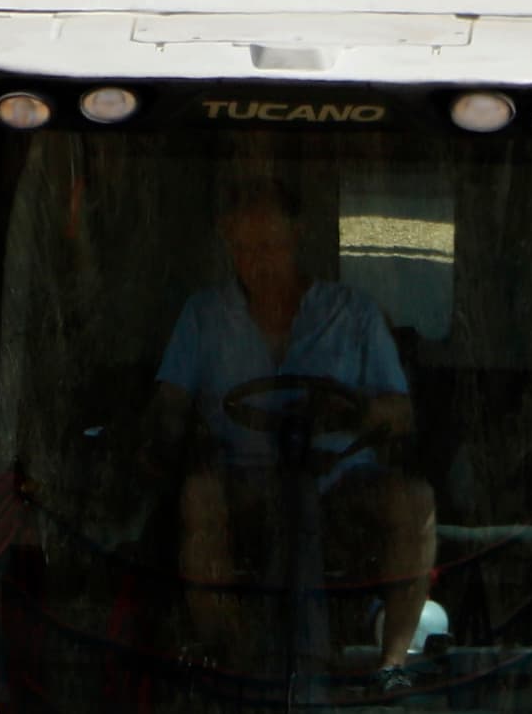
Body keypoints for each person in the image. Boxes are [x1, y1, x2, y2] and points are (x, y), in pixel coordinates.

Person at [147, 189, 436, 674]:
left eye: (271, 247)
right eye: (245, 250)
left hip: (340, 484)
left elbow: (400, 412)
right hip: (244, 479)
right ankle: (226, 659)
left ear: (297, 238)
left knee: (415, 500)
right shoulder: (203, 316)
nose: (258, 262)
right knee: (198, 495)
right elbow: (169, 407)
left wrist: (352, 413)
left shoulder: (354, 313)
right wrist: (167, 441)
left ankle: (393, 665)